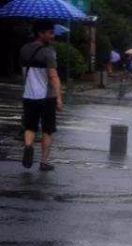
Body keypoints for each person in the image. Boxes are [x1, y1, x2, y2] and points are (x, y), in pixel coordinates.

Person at [20, 20, 63, 171]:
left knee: (30, 126)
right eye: (50, 32)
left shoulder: (24, 49)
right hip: (47, 97)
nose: (52, 36)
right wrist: (59, 98)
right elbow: (53, 76)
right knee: (47, 129)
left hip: (28, 95)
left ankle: (28, 146)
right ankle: (44, 161)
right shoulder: (48, 52)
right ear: (41, 33)